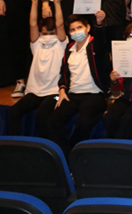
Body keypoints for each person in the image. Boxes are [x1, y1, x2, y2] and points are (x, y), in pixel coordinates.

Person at [39, 12, 109, 154]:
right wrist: (62, 90)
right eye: (72, 29)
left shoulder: (95, 46)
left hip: (94, 95)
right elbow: (64, 73)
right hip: (71, 95)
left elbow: (102, 41)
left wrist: (100, 24)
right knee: (52, 121)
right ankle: (65, 153)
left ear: (87, 28)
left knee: (84, 122)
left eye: (79, 27)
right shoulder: (69, 48)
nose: (76, 31)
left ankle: (74, 152)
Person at [7, 0, 67, 136]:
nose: (48, 36)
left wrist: (57, 3)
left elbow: (60, 24)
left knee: (42, 115)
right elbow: (32, 24)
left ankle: (43, 146)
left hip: (54, 93)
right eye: (45, 33)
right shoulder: (37, 44)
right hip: (35, 92)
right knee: (14, 112)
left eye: (51, 33)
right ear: (40, 33)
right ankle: (13, 143)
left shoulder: (61, 44)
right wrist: (34, 2)